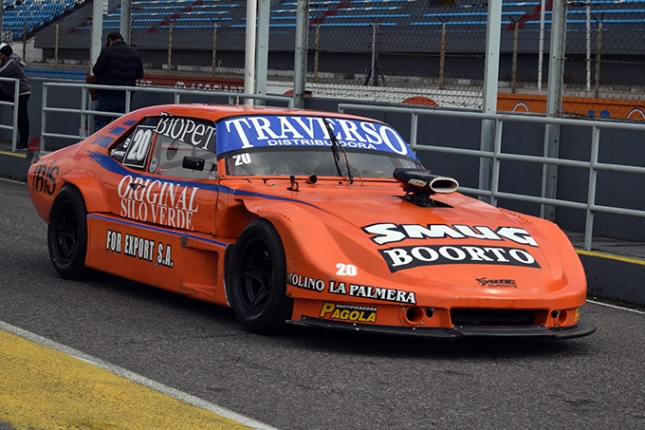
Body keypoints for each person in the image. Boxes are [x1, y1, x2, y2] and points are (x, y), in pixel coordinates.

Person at [92, 32, 144, 131]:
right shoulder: (135, 53)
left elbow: (96, 71)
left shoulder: (107, 51)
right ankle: (118, 145)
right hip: (126, 96)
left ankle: (103, 144)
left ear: (110, 41)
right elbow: (139, 74)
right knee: (122, 124)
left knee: (102, 121)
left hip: (107, 94)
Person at [0, 44, 30, 149]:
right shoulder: (6, 62)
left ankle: (24, 141)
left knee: (21, 117)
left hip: (21, 92)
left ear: (3, 54)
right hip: (11, 92)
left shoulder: (12, 63)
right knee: (20, 116)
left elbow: (1, 72)